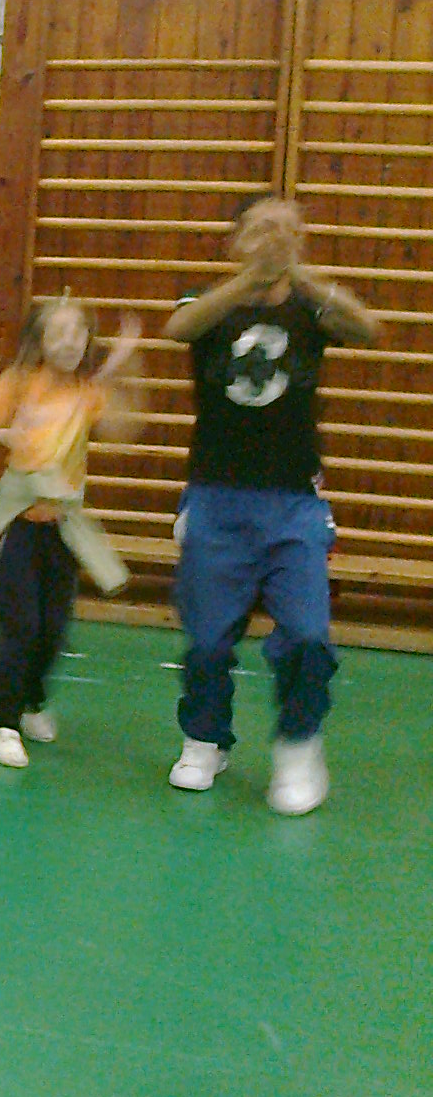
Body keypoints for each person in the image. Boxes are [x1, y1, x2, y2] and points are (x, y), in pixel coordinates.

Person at [162, 197, 379, 815]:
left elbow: (367, 329)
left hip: (293, 503)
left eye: (287, 231)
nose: (274, 239)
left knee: (308, 634)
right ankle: (205, 738)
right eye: (260, 229)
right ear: (236, 241)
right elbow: (178, 329)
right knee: (207, 638)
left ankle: (299, 743)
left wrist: (298, 276)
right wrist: (250, 280)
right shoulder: (208, 302)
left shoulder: (312, 307)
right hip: (216, 498)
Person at [0, 300, 141, 767]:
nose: (68, 342)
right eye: (57, 333)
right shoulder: (18, 384)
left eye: (77, 333)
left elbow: (124, 431)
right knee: (18, 624)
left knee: (53, 628)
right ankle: (4, 720)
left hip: (63, 528)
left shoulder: (86, 391)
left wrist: (124, 370)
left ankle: (33, 699)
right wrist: (2, 436)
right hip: (18, 525)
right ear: (38, 341)